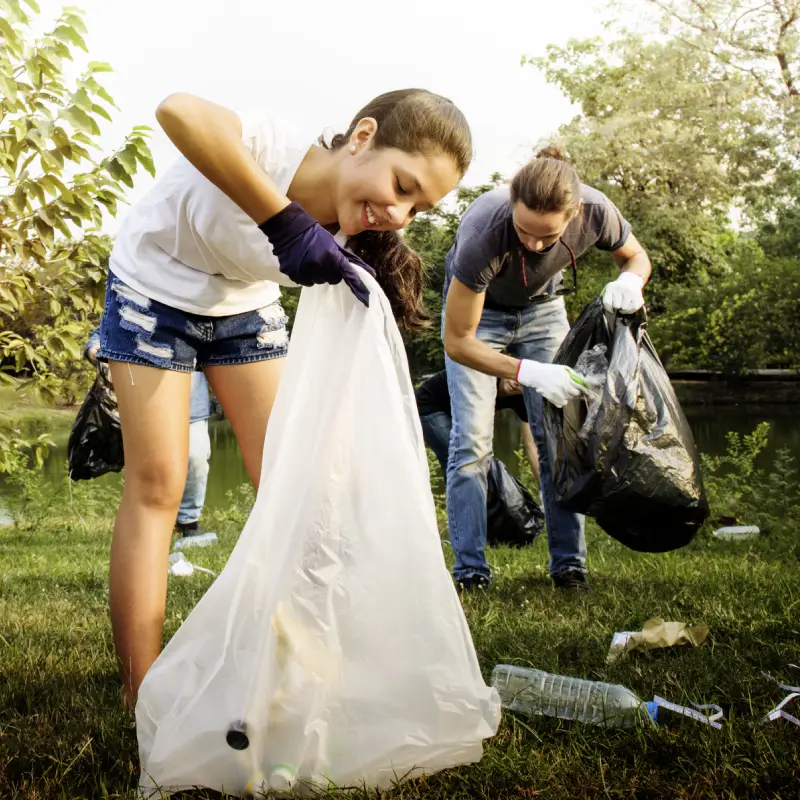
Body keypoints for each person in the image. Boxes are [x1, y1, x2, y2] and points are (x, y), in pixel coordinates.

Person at [96, 89, 472, 706]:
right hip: (153, 284)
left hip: (242, 307)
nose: (400, 213)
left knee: (294, 481)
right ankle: (142, 691)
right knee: (160, 482)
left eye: (418, 207)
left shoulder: (352, 234)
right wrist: (286, 220)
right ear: (362, 136)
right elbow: (177, 112)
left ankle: (298, 662)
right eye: (402, 184)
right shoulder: (274, 142)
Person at [441, 147, 651, 592]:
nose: (534, 245)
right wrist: (530, 373)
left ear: (573, 215)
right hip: (483, 316)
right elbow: (458, 341)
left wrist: (629, 281)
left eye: (547, 237)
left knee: (559, 441)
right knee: (471, 445)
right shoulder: (485, 229)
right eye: (524, 232)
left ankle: (569, 568)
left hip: (545, 311)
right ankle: (471, 573)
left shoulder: (597, 211)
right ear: (512, 205)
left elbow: (636, 257)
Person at [85, 329, 214, 539]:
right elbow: (107, 328)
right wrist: (95, 348)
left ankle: (188, 521)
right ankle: (151, 526)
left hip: (193, 404)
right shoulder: (146, 300)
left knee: (196, 458)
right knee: (153, 467)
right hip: (149, 403)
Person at [415, 369, 539, 486]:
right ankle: (462, 506)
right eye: (514, 375)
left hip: (458, 408)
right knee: (460, 460)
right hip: (430, 405)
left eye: (523, 383)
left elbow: (531, 444)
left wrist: (545, 489)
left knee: (472, 463)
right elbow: (474, 429)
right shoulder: (486, 377)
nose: (516, 383)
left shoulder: (521, 397)